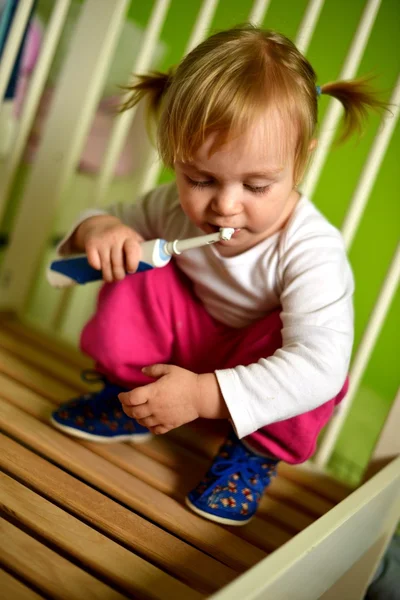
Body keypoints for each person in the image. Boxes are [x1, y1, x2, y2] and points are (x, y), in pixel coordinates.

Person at [50, 24, 386, 526]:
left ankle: (255, 449)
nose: (225, 206)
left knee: (317, 365)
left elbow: (321, 367)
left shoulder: (311, 248)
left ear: (301, 160)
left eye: (256, 185)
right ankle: (129, 399)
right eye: (200, 179)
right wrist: (98, 229)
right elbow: (105, 225)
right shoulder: (169, 208)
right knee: (134, 255)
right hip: (183, 349)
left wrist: (205, 395)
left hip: (253, 366)